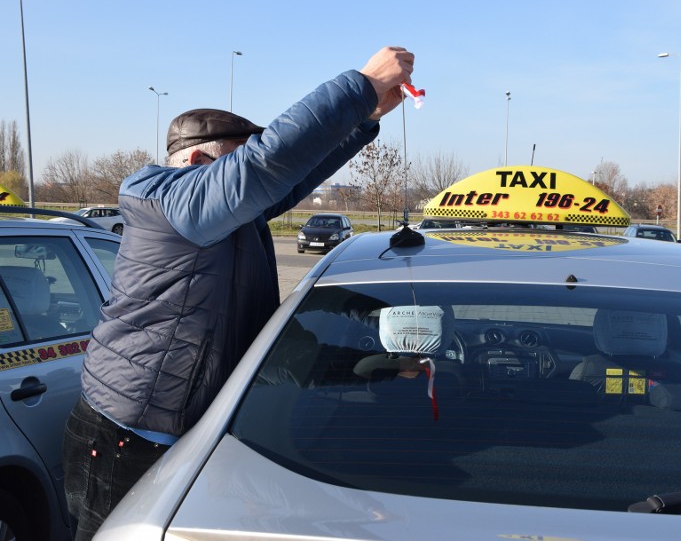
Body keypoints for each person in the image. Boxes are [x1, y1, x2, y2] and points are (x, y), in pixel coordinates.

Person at [61, 45, 415, 540]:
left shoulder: (229, 221)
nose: (248, 184)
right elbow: (267, 164)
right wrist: (361, 85)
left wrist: (364, 118)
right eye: (236, 162)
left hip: (189, 437)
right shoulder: (164, 198)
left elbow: (291, 173)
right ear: (201, 160)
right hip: (126, 439)